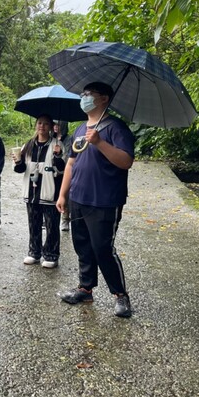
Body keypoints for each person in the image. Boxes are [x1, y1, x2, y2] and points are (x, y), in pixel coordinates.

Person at [55, 82, 134, 318]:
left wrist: (100, 142)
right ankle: (85, 288)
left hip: (105, 200)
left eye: (89, 95)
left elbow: (126, 161)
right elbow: (71, 163)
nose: (84, 98)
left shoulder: (116, 128)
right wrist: (63, 194)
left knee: (103, 248)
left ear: (104, 99)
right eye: (83, 94)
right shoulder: (80, 129)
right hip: (79, 197)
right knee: (83, 245)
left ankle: (120, 295)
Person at [13, 114, 65, 268]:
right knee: (33, 223)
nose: (42, 126)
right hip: (31, 191)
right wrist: (18, 161)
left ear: (51, 127)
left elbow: (62, 170)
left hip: (50, 190)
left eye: (46, 124)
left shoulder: (57, 144)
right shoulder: (28, 145)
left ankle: (51, 254)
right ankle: (34, 252)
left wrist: (57, 156)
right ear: (36, 125)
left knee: (51, 224)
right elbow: (21, 169)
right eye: (39, 123)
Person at [53, 120, 74, 231]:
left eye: (58, 124)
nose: (56, 127)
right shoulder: (51, 138)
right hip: (52, 171)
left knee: (65, 195)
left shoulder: (69, 139)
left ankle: (65, 218)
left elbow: (69, 157)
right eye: (54, 124)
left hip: (65, 170)